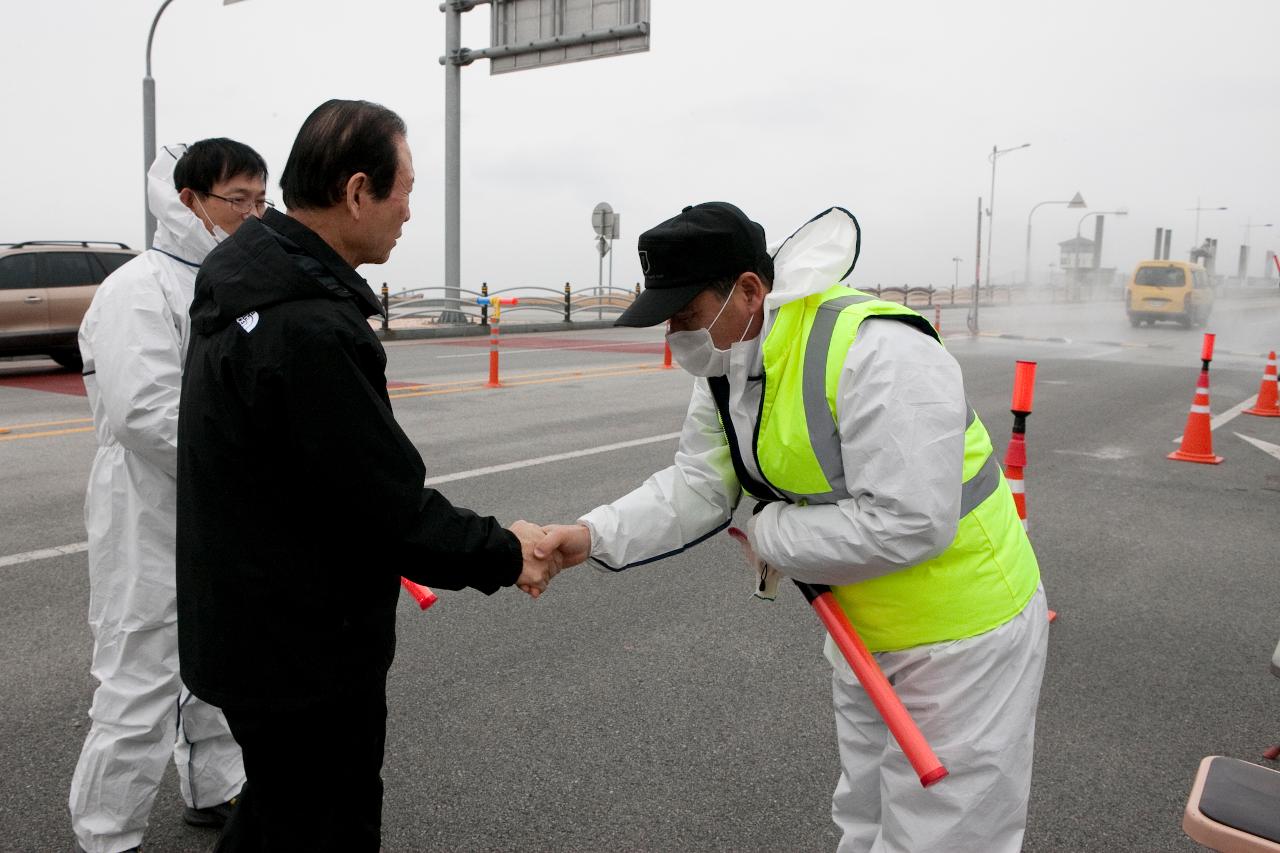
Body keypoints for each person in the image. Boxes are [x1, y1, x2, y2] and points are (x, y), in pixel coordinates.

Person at [536, 203, 1049, 852]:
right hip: (862, 630)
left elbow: (913, 523)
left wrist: (771, 534)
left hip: (963, 639)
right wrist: (588, 536)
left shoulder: (876, 349)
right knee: (865, 823)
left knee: (941, 839)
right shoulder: (727, 365)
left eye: (685, 314)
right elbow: (698, 484)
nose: (676, 334)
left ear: (749, 290)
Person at [174, 99, 555, 852]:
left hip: (248, 625)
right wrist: (511, 551)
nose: (410, 211)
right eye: (403, 189)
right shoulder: (306, 324)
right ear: (356, 192)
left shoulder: (245, 286)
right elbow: (385, 505)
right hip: (303, 649)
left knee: (279, 813)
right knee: (323, 824)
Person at [71, 138, 270, 853]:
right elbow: (145, 413)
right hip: (147, 506)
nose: (251, 214)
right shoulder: (139, 288)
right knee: (141, 671)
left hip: (221, 504)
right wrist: (251, 461)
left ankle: (214, 785)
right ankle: (106, 834)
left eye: (260, 199)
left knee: (219, 652)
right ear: (187, 199)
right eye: (236, 199)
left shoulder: (236, 283)